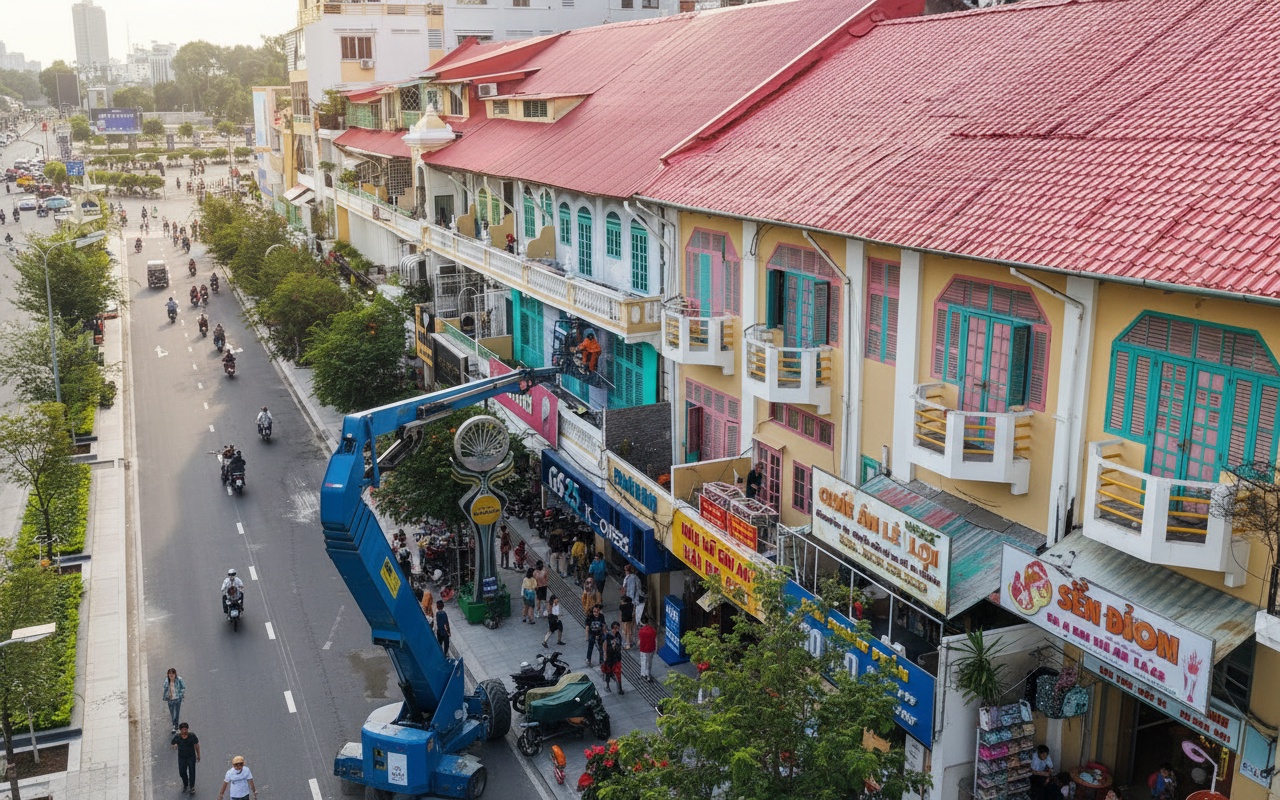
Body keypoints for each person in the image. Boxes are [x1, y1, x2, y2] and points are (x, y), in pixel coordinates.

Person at [171, 722, 201, 795]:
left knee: (192, 772)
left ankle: (192, 787)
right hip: (182, 758)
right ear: (180, 730)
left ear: (188, 729)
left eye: (185, 729)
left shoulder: (192, 736)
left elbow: (197, 745)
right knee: (182, 772)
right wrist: (174, 746)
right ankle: (185, 783)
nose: (184, 731)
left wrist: (198, 755)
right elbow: (172, 743)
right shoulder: (177, 737)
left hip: (191, 757)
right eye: (183, 730)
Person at [601, 621, 625, 694]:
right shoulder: (608, 636)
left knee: (618, 672)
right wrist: (605, 656)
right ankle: (607, 685)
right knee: (607, 672)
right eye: (615, 628)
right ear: (612, 629)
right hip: (609, 657)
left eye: (618, 628)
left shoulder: (618, 635)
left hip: (617, 657)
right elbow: (604, 646)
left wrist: (617, 648)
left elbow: (619, 645)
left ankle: (619, 688)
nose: (617, 630)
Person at [162, 667, 186, 732]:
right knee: (172, 713)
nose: (171, 675)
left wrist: (180, 695)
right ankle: (174, 724)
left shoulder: (179, 679)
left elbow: (183, 687)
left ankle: (176, 726)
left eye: (172, 673)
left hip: (177, 699)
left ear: (175, 674)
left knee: (177, 713)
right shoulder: (167, 681)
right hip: (170, 700)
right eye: (170, 673)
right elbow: (164, 687)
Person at [637, 615, 657, 683]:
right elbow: (654, 639)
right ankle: (648, 675)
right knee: (649, 662)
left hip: (643, 648)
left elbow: (640, 640)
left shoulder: (641, 631)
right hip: (650, 648)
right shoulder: (652, 630)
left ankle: (643, 673)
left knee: (643, 660)